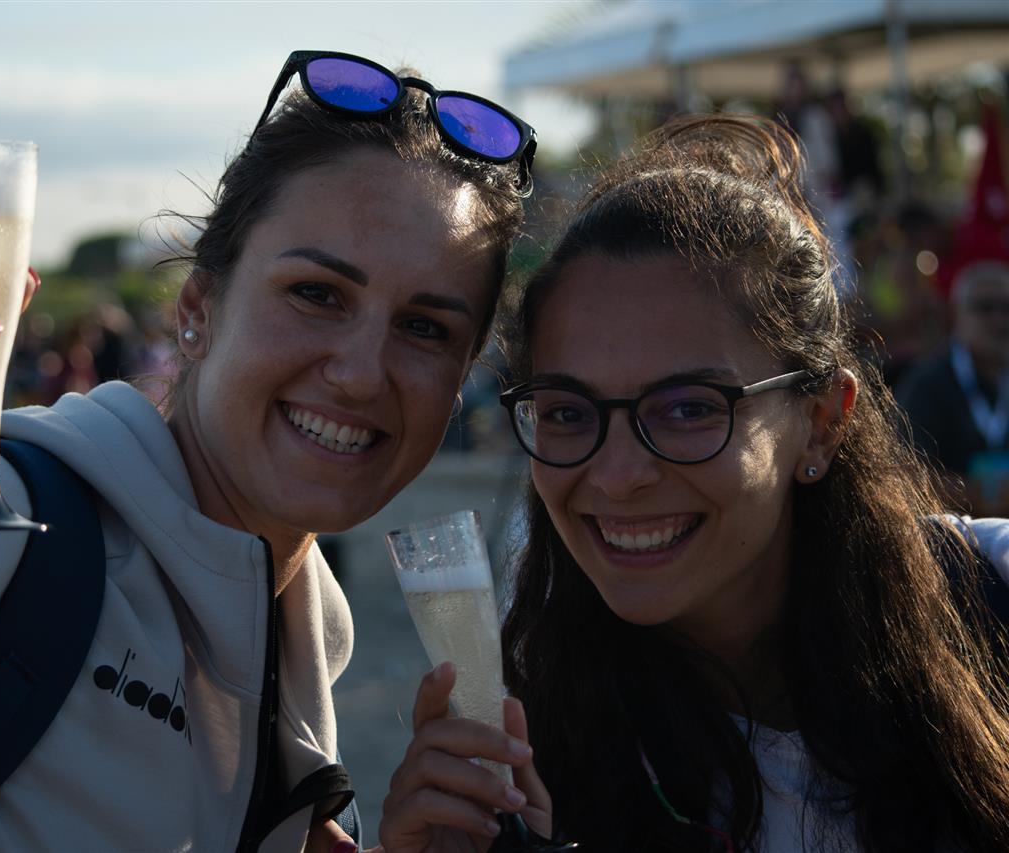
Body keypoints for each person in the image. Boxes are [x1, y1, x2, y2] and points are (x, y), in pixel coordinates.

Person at [0, 50, 533, 852]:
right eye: (316, 294)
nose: (361, 374)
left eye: (425, 328)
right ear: (197, 309)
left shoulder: (302, 636)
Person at [380, 116, 1009, 852]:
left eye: (687, 408)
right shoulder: (528, 754)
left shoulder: (989, 599)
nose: (618, 476)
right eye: (567, 412)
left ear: (821, 421)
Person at [896, 261, 1009, 517]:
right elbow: (908, 476)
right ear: (956, 314)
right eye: (985, 307)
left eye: (1006, 308)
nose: (999, 320)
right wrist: (980, 493)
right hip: (951, 531)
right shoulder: (926, 384)